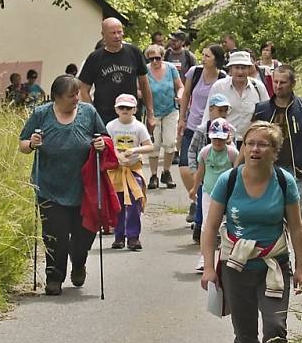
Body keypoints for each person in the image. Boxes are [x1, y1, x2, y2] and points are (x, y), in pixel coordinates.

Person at [200, 121, 302, 343]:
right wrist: (209, 268)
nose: (255, 149)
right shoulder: (228, 180)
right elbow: (210, 228)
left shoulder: (284, 182)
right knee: (245, 332)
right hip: (236, 267)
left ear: (274, 151)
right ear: (243, 147)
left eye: (263, 144)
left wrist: (301, 267)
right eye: (250, 143)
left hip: (274, 265)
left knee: (276, 327)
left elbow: (297, 229)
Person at [19, 75, 107, 296]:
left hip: (83, 187)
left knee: (82, 236)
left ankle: (79, 263)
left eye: (77, 93)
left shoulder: (89, 112)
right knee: (54, 236)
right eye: (71, 95)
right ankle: (54, 276)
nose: (76, 98)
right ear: (57, 97)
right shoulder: (41, 114)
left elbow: (105, 138)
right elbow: (23, 144)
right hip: (49, 186)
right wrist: (32, 143)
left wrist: (100, 144)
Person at [252, 64, 302, 235]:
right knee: (271, 212)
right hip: (269, 170)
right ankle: (279, 253)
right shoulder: (262, 109)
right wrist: (240, 168)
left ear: (293, 84)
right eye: (275, 82)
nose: (278, 86)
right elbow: (250, 141)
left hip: (298, 170)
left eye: (283, 82)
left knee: (299, 213)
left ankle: (300, 254)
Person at [177, 44, 227, 222]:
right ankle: (196, 198)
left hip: (211, 130)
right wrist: (181, 118)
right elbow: (186, 95)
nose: (203, 59)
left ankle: (202, 206)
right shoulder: (194, 72)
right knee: (184, 167)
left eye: (208, 56)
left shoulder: (222, 78)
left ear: (216, 60)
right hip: (192, 125)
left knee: (205, 167)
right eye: (203, 55)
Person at [79, 18, 155, 132]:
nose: (117, 36)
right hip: (104, 116)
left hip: (130, 113)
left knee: (131, 149)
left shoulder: (134, 52)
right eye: (113, 33)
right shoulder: (94, 58)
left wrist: (150, 113)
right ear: (103, 35)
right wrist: (93, 115)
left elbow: (144, 83)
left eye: (119, 32)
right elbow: (84, 90)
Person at [190, 117, 239, 272]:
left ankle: (231, 256)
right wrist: (194, 188)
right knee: (206, 225)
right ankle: (205, 257)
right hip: (209, 193)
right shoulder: (205, 152)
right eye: (215, 138)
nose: (218, 142)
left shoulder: (232, 153)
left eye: (221, 139)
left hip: (227, 195)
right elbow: (200, 171)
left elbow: (237, 173)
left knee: (228, 225)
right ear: (211, 137)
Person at [106, 94, 153, 251]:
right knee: (117, 204)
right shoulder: (111, 126)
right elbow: (108, 145)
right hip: (116, 170)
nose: (125, 110)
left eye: (128, 108)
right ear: (116, 109)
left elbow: (149, 146)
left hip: (133, 169)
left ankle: (133, 237)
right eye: (121, 107)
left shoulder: (139, 127)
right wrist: (118, 156)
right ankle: (118, 237)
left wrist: (134, 150)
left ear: (134, 109)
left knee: (134, 203)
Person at [187, 93, 232, 243]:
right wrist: (194, 174)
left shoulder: (230, 133)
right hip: (206, 177)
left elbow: (236, 161)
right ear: (211, 109)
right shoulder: (202, 132)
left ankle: (222, 238)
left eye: (225, 110)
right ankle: (200, 232)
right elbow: (192, 150)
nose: (223, 114)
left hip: (224, 180)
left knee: (225, 213)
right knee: (203, 208)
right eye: (220, 110)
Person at [205, 50, 269, 148]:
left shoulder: (258, 87)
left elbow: (267, 115)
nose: (240, 72)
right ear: (230, 69)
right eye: (236, 68)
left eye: (243, 68)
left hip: (250, 144)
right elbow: (208, 114)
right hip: (224, 142)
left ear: (249, 69)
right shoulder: (219, 87)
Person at [143, 44, 182, 189]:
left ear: (162, 57)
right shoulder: (144, 70)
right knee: (154, 145)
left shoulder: (171, 69)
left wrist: (179, 96)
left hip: (170, 110)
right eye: (151, 58)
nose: (154, 61)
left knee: (170, 142)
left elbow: (180, 86)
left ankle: (166, 172)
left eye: (157, 58)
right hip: (153, 111)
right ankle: (153, 176)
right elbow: (138, 89)